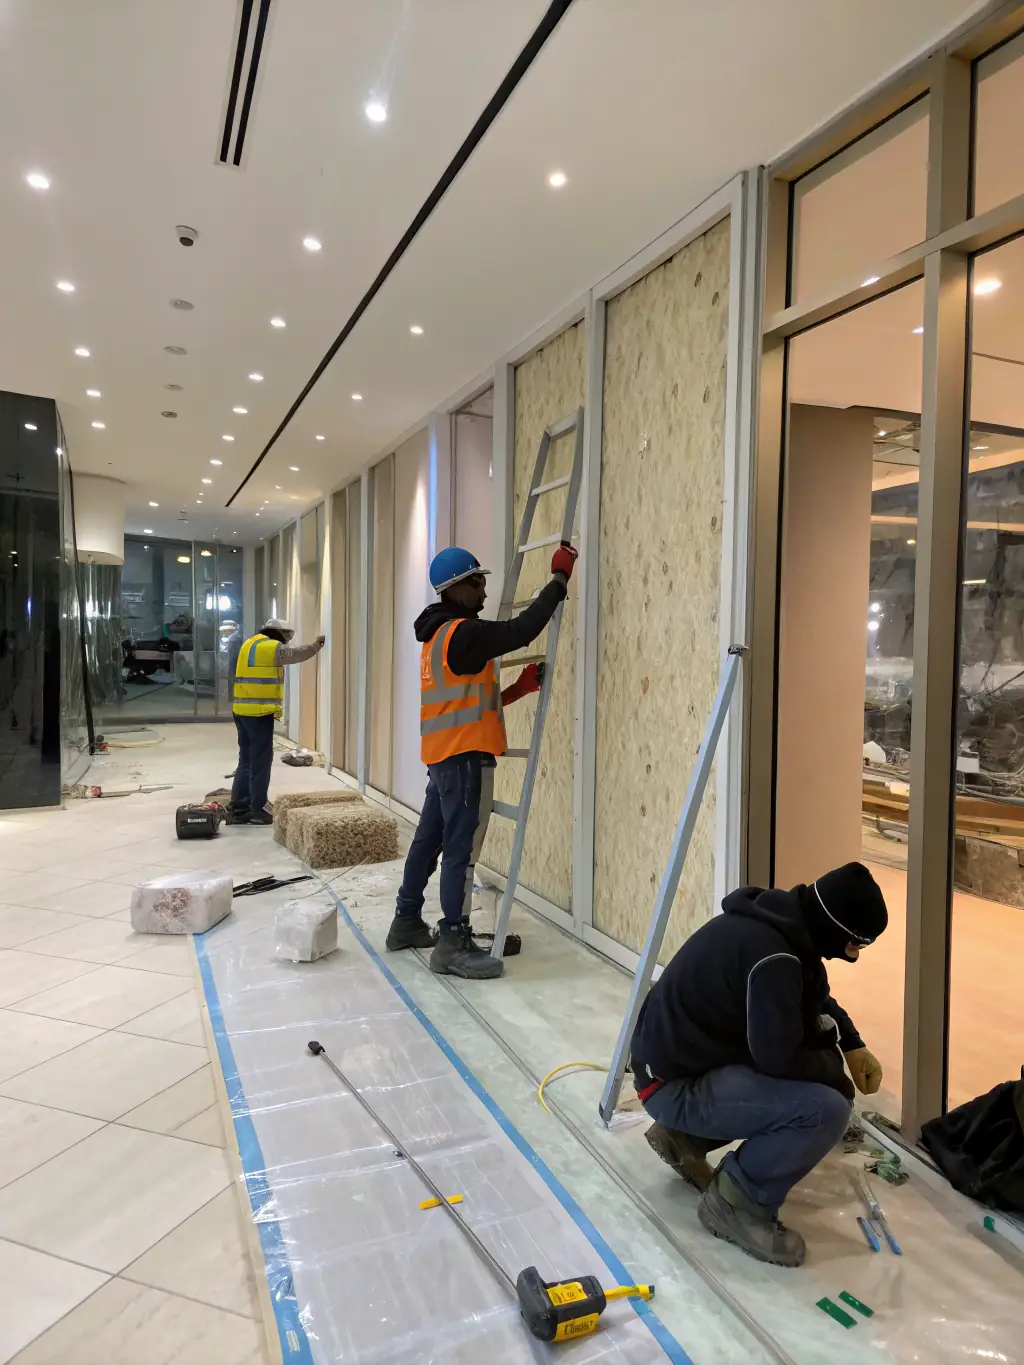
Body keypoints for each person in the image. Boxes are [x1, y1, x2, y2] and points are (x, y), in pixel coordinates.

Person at [630, 861, 888, 1267]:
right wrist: (838, 1080)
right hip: (671, 1087)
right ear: (836, 927)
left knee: (814, 1074)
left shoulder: (777, 925)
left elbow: (814, 996)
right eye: (857, 943)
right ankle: (738, 1204)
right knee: (824, 1110)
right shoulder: (775, 957)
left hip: (671, 1070)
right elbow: (778, 1058)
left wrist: (852, 1043)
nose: (854, 954)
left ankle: (683, 1138)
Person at [385, 541, 578, 979]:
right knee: (459, 850)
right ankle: (452, 942)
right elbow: (521, 631)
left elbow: (469, 704)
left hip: (443, 757)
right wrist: (559, 580)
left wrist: (518, 690)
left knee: (428, 842)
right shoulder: (463, 633)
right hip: (464, 759)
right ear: (458, 587)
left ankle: (407, 921)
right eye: (478, 583)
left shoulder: (437, 639)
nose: (484, 592)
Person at [228, 618, 325, 825]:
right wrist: (316, 645)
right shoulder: (270, 646)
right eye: (286, 636)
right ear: (279, 633)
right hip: (259, 713)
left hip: (241, 710)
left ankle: (239, 808)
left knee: (245, 759)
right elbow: (296, 654)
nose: (286, 641)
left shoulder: (250, 642)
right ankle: (257, 810)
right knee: (260, 762)